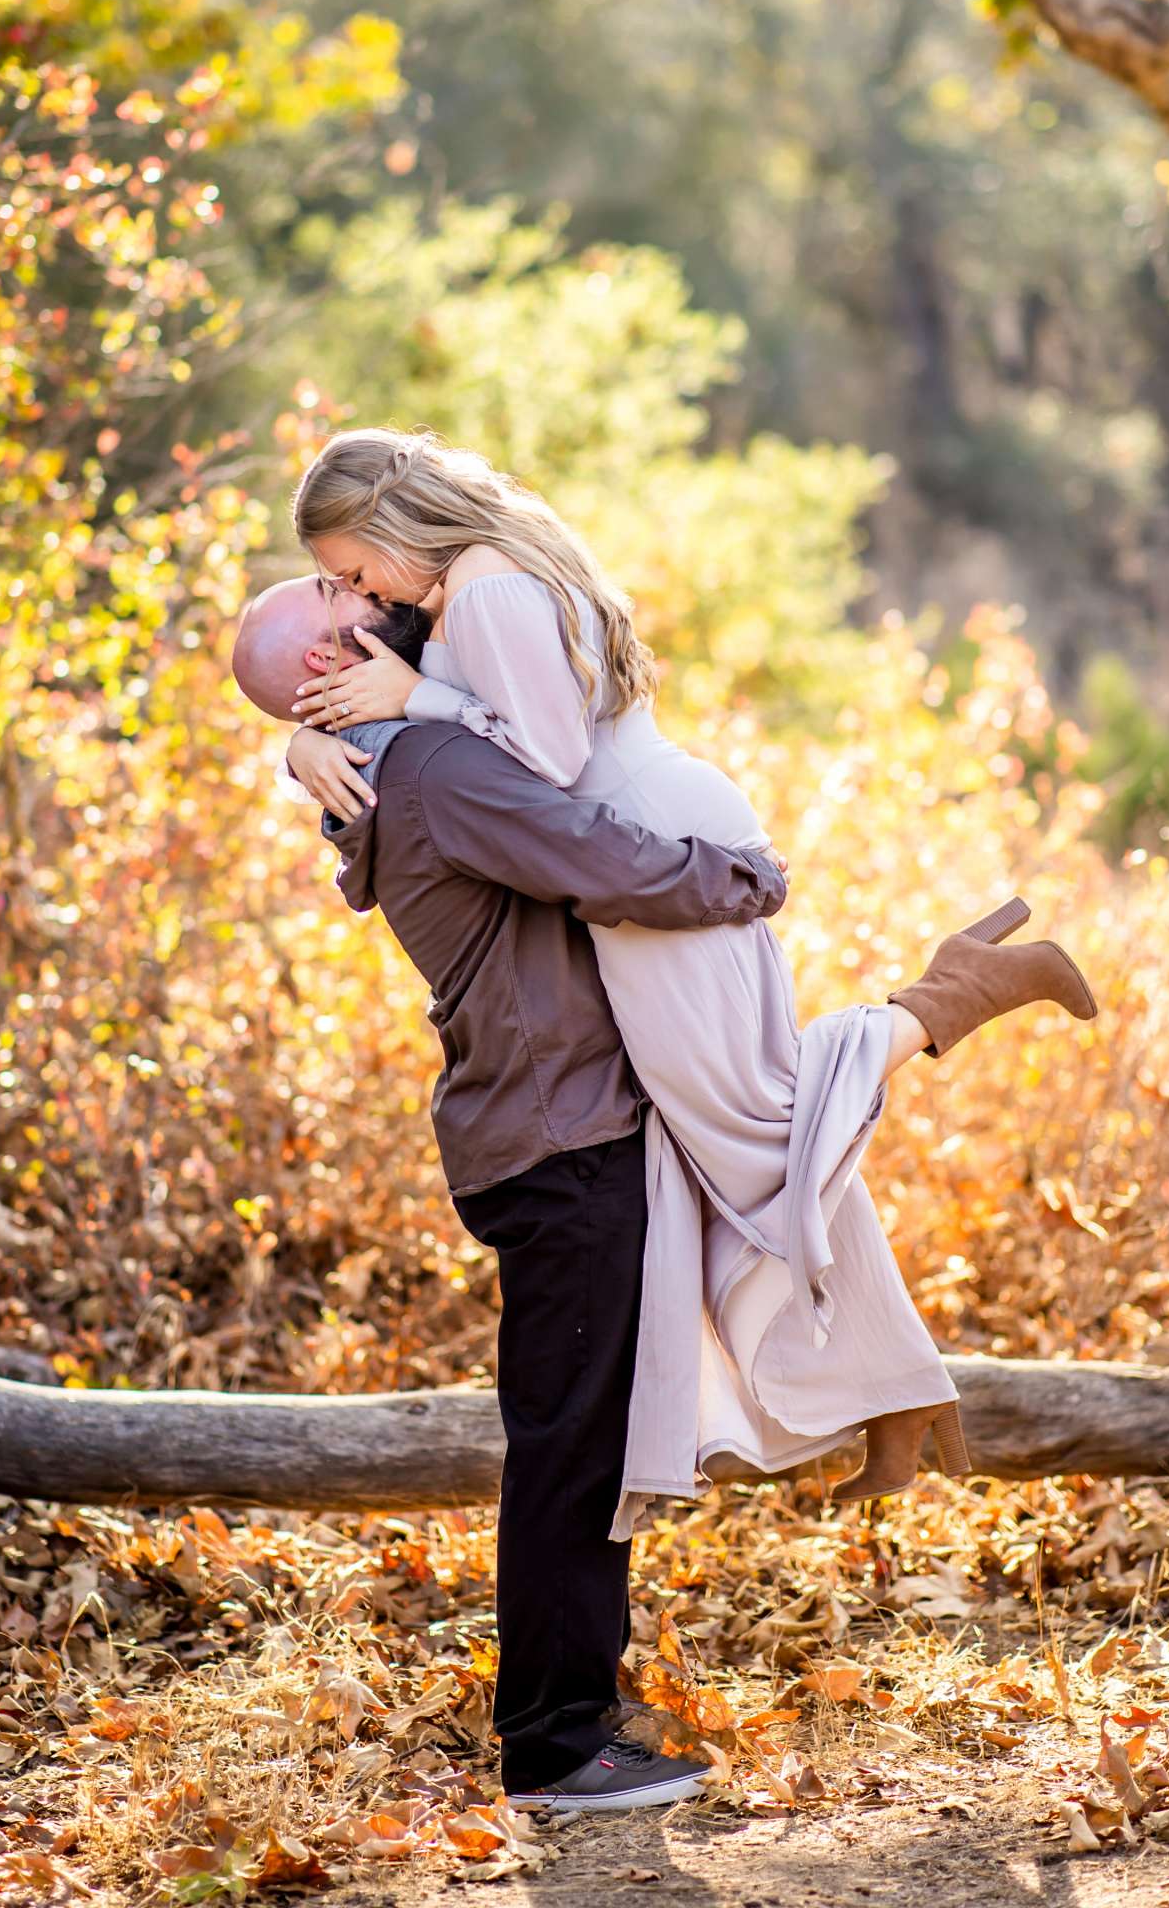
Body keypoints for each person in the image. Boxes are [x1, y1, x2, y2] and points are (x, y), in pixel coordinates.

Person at [283, 430, 1098, 1537]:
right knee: (737, 1139)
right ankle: (892, 1394)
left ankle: (948, 997)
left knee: (755, 1120)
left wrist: (415, 699)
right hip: (648, 838)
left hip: (655, 850)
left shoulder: (481, 595)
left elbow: (548, 768)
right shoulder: (475, 581)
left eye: (347, 567)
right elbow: (333, 690)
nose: (349, 593)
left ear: (393, 528)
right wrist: (300, 747)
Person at [234, 576, 791, 1815]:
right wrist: (747, 876)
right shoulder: (434, 769)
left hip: (542, 1126)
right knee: (569, 1445)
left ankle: (575, 1711)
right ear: (334, 655)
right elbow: (600, 859)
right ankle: (554, 1742)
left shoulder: (407, 756)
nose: (374, 590)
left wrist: (308, 737)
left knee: (573, 1431)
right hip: (560, 1140)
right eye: (343, 593)